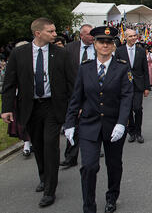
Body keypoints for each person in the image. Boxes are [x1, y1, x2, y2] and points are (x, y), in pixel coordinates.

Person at [1, 18, 75, 208]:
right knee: (39, 146)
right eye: (50, 31)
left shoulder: (61, 54)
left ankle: (50, 190)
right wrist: (7, 108)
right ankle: (43, 176)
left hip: (52, 106)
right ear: (38, 33)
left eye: (54, 30)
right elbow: (9, 83)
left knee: (51, 145)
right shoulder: (19, 54)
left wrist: (75, 107)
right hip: (30, 107)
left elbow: (71, 82)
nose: (54, 34)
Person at [64, 26, 133, 213]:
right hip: (89, 124)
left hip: (113, 125)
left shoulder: (122, 67)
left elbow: (127, 97)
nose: (105, 45)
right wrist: (69, 123)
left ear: (113, 46)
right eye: (101, 42)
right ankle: (89, 206)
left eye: (109, 42)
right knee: (88, 166)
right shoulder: (85, 68)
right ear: (94, 44)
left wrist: (121, 122)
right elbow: (76, 97)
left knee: (114, 164)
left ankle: (112, 196)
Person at [62, 24, 94, 169]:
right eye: (89, 34)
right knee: (72, 125)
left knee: (92, 123)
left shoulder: (99, 48)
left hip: (93, 94)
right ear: (81, 35)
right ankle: (70, 156)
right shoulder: (69, 49)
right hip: (73, 94)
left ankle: (93, 148)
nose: (92, 36)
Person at [115, 29, 150, 144]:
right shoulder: (119, 51)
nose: (134, 38)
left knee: (138, 108)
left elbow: (145, 70)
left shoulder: (141, 51)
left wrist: (146, 87)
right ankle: (131, 131)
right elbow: (116, 69)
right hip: (124, 85)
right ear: (125, 38)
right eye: (131, 36)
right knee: (128, 109)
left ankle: (139, 132)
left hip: (138, 85)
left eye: (135, 35)